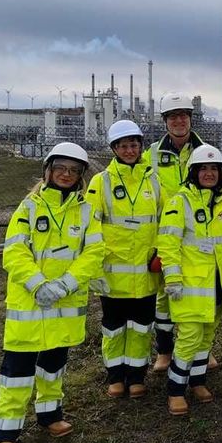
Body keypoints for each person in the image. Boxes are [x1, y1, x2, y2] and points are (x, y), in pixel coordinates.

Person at [0, 142, 104, 443]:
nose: (66, 175)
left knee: (54, 364)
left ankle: (50, 415)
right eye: (60, 169)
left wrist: (66, 284)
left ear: (80, 176)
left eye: (73, 170)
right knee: (17, 370)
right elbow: (14, 251)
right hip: (29, 304)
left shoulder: (86, 212)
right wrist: (38, 284)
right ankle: (5, 433)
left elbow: (94, 253)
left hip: (65, 305)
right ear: (48, 171)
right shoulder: (29, 208)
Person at [157, 144, 222, 416]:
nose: (209, 173)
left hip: (217, 284)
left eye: (213, 169)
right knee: (189, 337)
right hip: (190, 285)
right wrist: (173, 278)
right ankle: (176, 390)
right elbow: (168, 242)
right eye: (203, 168)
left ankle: (198, 381)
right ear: (193, 171)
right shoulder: (180, 201)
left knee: (207, 336)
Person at [86, 119, 163, 399]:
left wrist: (159, 252)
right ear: (114, 149)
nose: (129, 150)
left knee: (142, 326)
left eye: (134, 145)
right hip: (114, 272)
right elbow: (90, 225)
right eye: (123, 146)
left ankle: (137, 376)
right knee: (114, 326)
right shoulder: (101, 182)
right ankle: (115, 376)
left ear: (141, 147)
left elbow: (164, 220)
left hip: (145, 270)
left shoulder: (153, 180)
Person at [144, 91, 219, 373]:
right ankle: (164, 351)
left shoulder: (204, 151)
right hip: (166, 234)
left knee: (202, 293)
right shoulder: (150, 154)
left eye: (183, 116)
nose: (179, 121)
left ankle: (204, 350)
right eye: (173, 116)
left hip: (200, 235)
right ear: (165, 121)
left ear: (190, 118)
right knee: (164, 297)